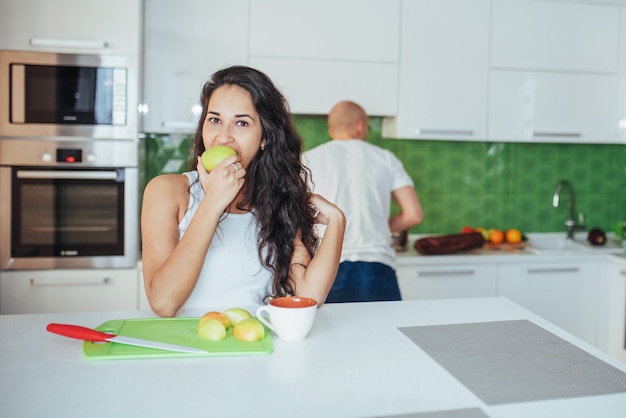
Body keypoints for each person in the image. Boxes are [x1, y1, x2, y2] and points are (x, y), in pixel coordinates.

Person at [141, 66, 346, 318]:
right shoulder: (167, 191)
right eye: (215, 120)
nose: (223, 138)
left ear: (264, 138)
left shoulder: (278, 202)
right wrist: (213, 202)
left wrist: (337, 221)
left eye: (241, 123)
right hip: (187, 350)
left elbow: (308, 297)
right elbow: (163, 302)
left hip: (253, 346)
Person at [303, 100, 423, 303]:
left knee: (329, 334)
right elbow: (413, 214)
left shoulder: (307, 159)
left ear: (331, 130)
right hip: (377, 266)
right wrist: (380, 229)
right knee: (385, 334)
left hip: (325, 268)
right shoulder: (385, 158)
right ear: (361, 126)